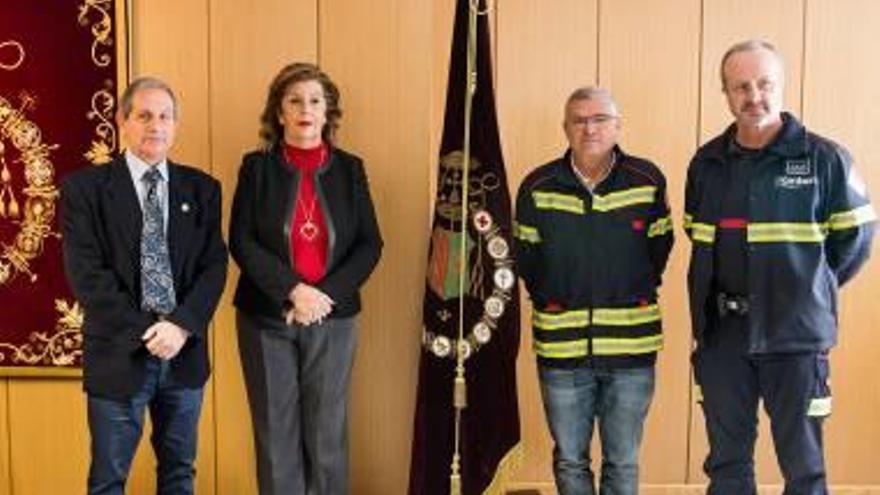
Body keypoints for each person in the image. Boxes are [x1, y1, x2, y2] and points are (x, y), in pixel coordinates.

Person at [684, 40, 876, 494]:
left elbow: (857, 240)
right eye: (741, 87)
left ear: (782, 85)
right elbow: (697, 233)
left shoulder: (825, 160)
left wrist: (812, 287)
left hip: (795, 336)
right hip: (723, 335)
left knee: (803, 468)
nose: (754, 97)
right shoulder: (707, 164)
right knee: (727, 464)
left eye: (764, 84)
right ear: (726, 93)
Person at [61, 76, 228, 494]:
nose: (156, 125)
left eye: (165, 116)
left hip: (183, 355)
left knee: (178, 475)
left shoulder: (202, 189)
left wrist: (180, 325)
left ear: (176, 125)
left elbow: (213, 266)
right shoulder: (85, 189)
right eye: (144, 115)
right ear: (122, 121)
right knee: (108, 480)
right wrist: (149, 331)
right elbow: (87, 274)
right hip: (119, 354)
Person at [230, 62, 383, 494]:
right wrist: (293, 291)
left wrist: (323, 297)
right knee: (276, 436)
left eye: (315, 101)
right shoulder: (255, 168)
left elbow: (371, 245)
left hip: (333, 319)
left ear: (327, 112)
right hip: (266, 318)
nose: (305, 109)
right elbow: (241, 241)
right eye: (294, 100)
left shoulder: (350, 169)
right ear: (279, 113)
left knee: (326, 433)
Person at [514, 87, 673, 495]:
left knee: (622, 460)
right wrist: (554, 297)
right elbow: (527, 261)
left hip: (631, 347)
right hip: (561, 347)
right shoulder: (537, 185)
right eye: (579, 120)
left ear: (617, 125)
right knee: (570, 459)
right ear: (565, 128)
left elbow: (659, 251)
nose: (590, 128)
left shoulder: (647, 180)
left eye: (600, 119)